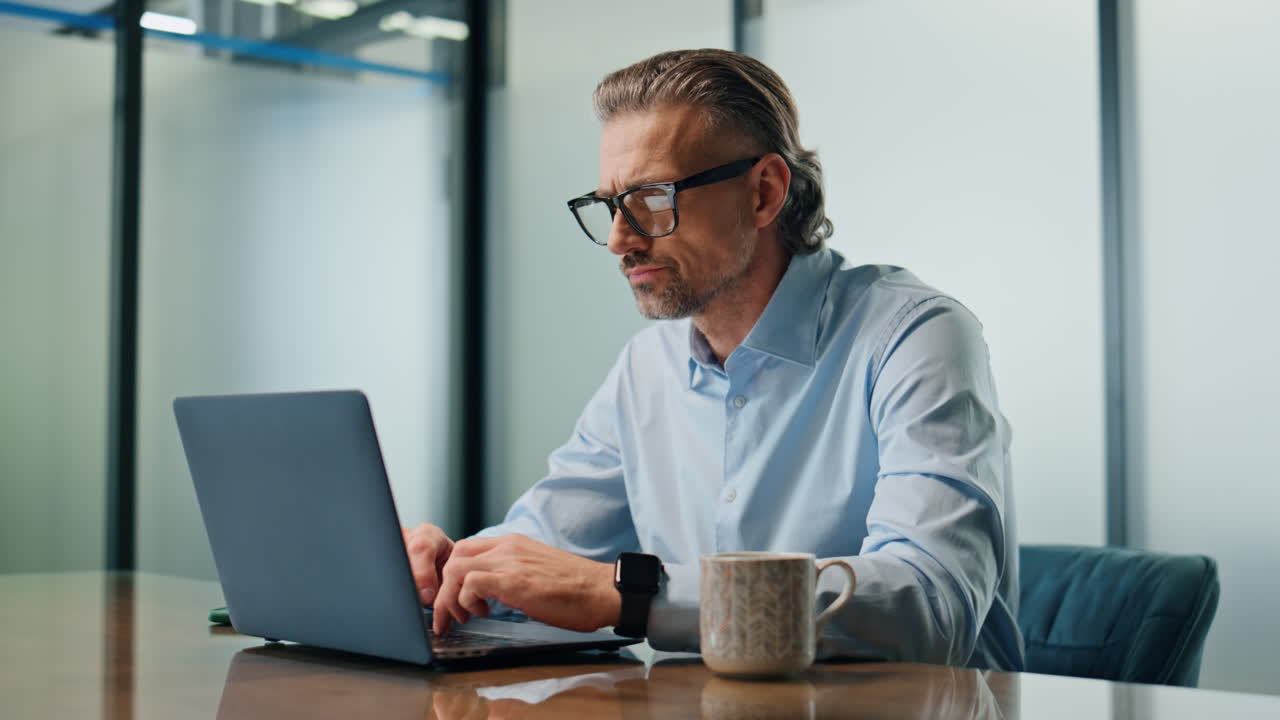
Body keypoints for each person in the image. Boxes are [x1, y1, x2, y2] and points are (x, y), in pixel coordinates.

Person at [404, 48, 1023, 670]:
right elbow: (548, 548)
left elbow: (930, 603)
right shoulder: (647, 367)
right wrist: (451, 569)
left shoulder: (913, 335)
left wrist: (630, 595)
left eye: (651, 197)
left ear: (764, 193)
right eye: (610, 205)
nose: (620, 238)